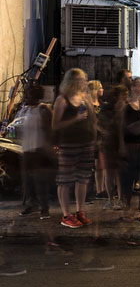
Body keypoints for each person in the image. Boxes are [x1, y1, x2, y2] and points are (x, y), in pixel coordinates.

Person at [51, 68, 97, 228]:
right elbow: (55, 125)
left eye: (85, 79)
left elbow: (92, 120)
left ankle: (80, 211)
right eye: (81, 79)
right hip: (69, 144)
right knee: (65, 180)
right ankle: (66, 215)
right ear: (71, 81)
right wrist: (75, 119)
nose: (84, 82)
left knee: (83, 178)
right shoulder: (62, 100)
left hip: (87, 143)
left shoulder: (85, 98)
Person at [119, 75, 140, 221]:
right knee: (128, 178)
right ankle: (126, 208)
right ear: (132, 87)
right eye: (139, 85)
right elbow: (120, 127)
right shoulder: (125, 105)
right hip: (130, 144)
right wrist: (121, 145)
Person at [17, 85, 54, 220]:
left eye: (29, 95)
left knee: (40, 180)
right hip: (26, 149)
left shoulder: (43, 109)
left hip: (40, 148)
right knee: (28, 180)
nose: (26, 97)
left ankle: (44, 208)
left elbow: (50, 128)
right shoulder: (24, 109)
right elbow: (17, 125)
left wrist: (49, 145)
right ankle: (32, 204)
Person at [96, 84, 126, 209]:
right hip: (110, 143)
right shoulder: (108, 109)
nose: (125, 97)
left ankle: (118, 199)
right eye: (123, 95)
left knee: (118, 173)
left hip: (116, 143)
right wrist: (104, 131)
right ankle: (111, 199)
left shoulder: (123, 108)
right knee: (111, 173)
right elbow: (97, 123)